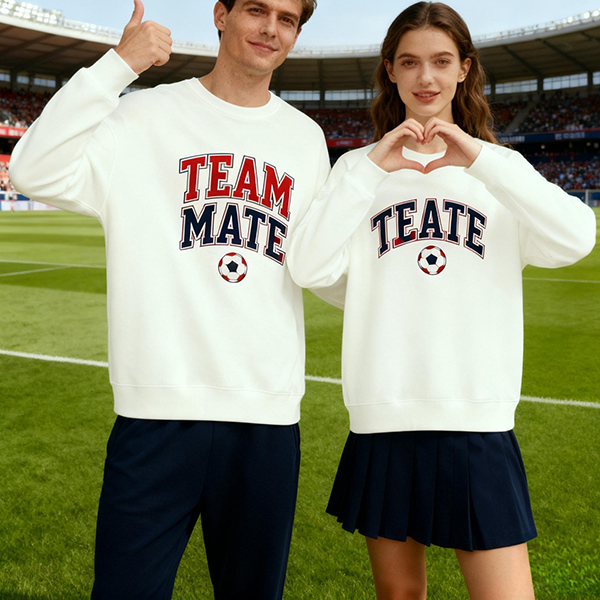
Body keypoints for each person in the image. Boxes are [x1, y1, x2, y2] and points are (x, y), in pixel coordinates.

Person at [8, 1, 336, 598]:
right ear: (220, 14)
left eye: (287, 18)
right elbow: (32, 172)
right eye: (257, 9)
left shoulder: (305, 138)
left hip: (264, 418)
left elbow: (320, 265)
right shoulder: (144, 115)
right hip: (156, 412)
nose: (271, 28)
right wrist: (117, 66)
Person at [287, 2, 596, 599]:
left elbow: (576, 238)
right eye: (409, 62)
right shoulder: (357, 169)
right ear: (390, 71)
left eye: (440, 61)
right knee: (401, 595)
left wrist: (480, 159)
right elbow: (309, 265)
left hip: (475, 415)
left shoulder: (499, 169)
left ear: (464, 69)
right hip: (385, 414)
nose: (425, 77)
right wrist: (371, 171)